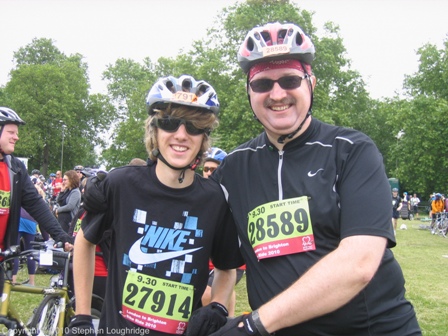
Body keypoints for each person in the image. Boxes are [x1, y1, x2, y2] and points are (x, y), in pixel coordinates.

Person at [207, 22, 421, 335]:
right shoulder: (232, 170)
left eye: (290, 80)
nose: (277, 94)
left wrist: (254, 325)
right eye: (263, 84)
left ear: (311, 83)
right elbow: (190, 224)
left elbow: (358, 263)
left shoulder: (351, 151)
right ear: (249, 92)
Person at [68, 75, 244, 336]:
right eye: (170, 123)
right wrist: (82, 316)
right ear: (155, 130)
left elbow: (227, 267)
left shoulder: (215, 199)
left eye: (194, 126)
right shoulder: (121, 184)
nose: (181, 135)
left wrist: (217, 306)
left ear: (204, 136)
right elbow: (84, 242)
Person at [0, 107, 72, 291]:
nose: (16, 137)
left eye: (16, 133)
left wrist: (61, 236)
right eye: (11, 132)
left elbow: (35, 203)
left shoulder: (15, 169)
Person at [200, 147, 246, 317]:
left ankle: (225, 319)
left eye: (214, 169)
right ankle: (228, 320)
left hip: (232, 259)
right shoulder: (201, 192)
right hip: (208, 260)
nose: (209, 173)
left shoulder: (233, 192)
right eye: (206, 169)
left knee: (208, 295)